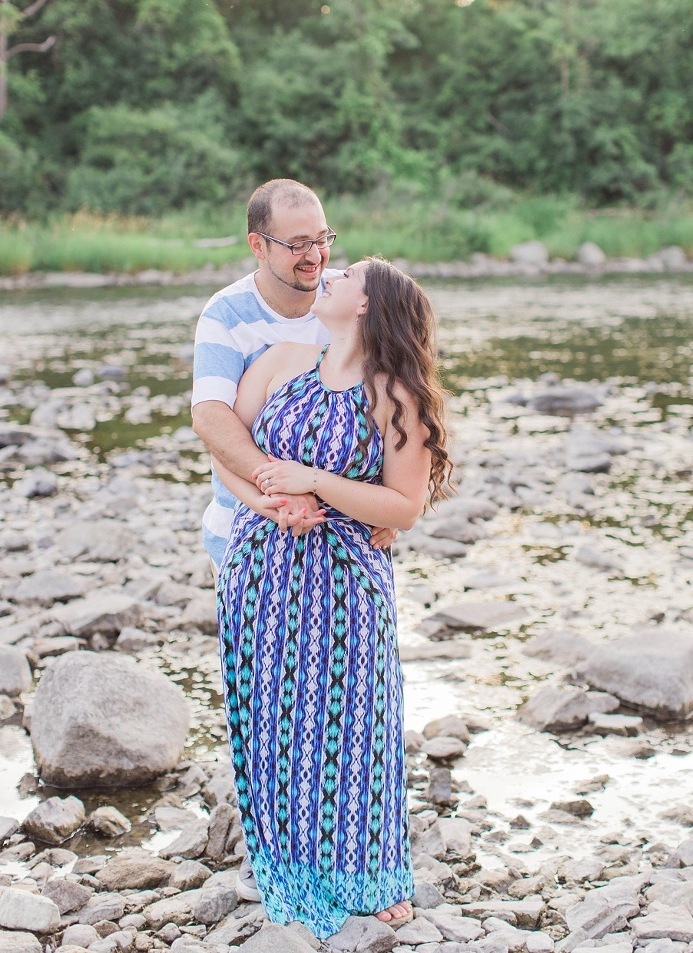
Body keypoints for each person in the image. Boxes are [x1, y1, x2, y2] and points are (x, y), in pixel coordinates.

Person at [213, 257, 453, 939]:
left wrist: (312, 481)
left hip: (347, 579)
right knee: (274, 722)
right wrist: (268, 499)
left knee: (356, 726)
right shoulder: (282, 359)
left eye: (347, 275)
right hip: (262, 567)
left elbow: (403, 505)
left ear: (366, 308)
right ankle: (284, 865)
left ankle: (366, 876)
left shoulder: (395, 395)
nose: (331, 274)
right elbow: (231, 457)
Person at [191, 177, 395, 570]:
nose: (315, 255)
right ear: (258, 246)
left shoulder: (348, 298)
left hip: (347, 541)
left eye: (322, 239)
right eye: (297, 244)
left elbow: (391, 404)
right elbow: (210, 416)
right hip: (248, 531)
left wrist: (388, 500)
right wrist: (282, 492)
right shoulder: (226, 313)